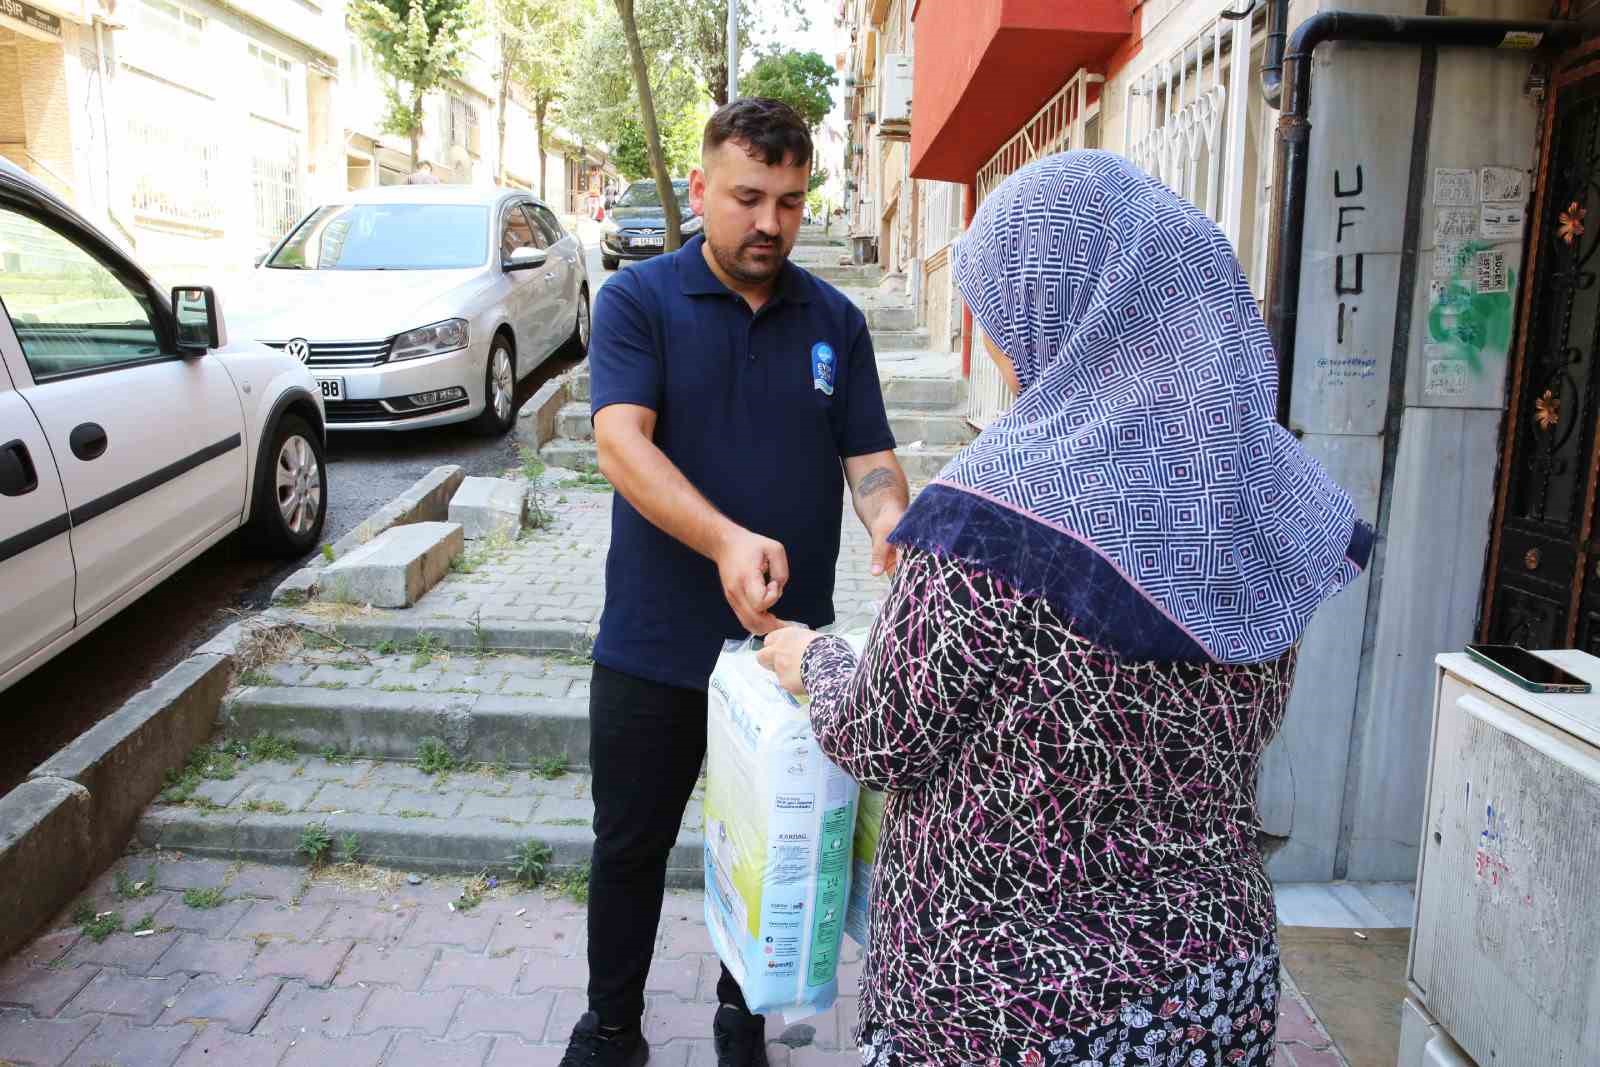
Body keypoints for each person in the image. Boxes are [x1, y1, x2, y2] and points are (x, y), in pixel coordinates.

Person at [758, 151, 1375, 1067]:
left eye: (995, 305)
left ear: (1070, 308)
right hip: (1215, 986)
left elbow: (883, 735)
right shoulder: (1259, 491)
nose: (991, 338)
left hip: (1011, 1006)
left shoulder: (998, 514)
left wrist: (813, 658)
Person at [560, 96, 911, 1067]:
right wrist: (721, 538)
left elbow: (871, 456)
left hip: (786, 654)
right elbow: (618, 441)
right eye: (749, 196)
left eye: (790, 201)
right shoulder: (640, 303)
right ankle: (612, 1027)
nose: (769, 222)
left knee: (775, 843)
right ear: (699, 187)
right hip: (652, 641)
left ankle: (741, 1013)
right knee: (628, 848)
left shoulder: (835, 319)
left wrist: (897, 523)